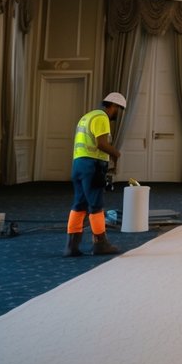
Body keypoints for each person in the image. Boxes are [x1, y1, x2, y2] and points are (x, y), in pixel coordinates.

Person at [64, 92, 127, 257]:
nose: (117, 114)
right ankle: (100, 243)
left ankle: (71, 246)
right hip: (91, 166)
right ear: (113, 106)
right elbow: (101, 144)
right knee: (96, 205)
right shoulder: (102, 118)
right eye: (118, 110)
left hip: (78, 164)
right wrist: (116, 154)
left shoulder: (87, 117)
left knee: (79, 204)